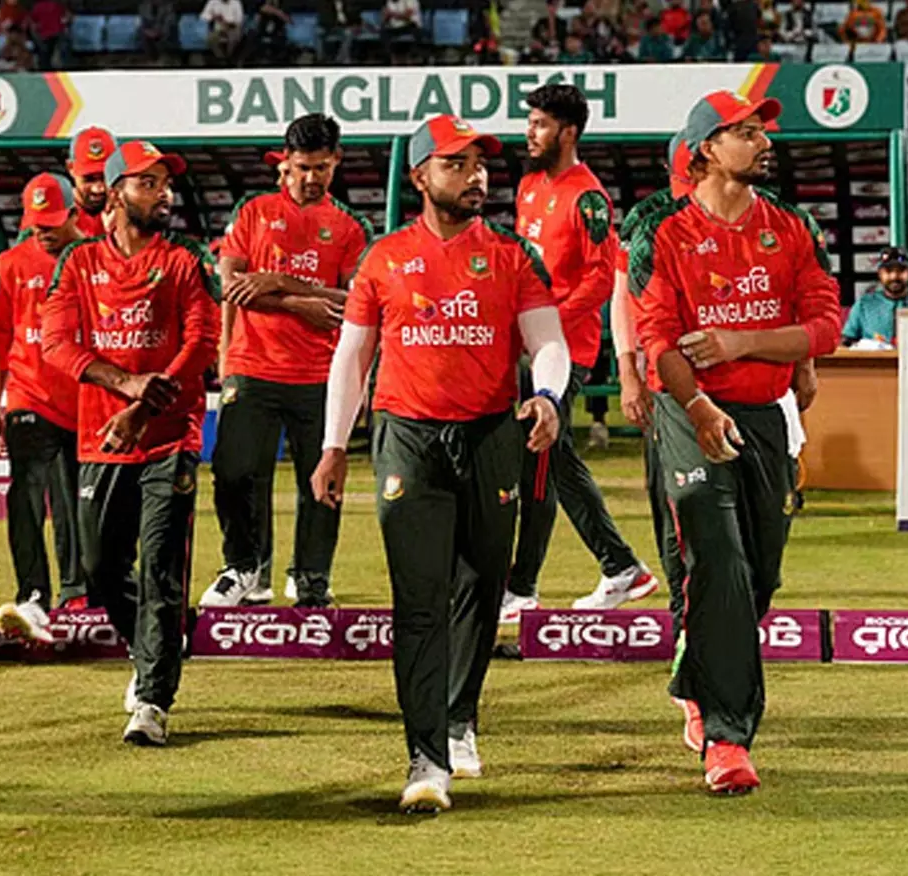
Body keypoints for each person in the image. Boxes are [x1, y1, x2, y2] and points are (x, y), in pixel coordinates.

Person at [312, 115, 569, 813]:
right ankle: (426, 756)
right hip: (408, 437)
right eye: (457, 164)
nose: (475, 176)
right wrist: (334, 446)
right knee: (420, 598)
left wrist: (548, 396)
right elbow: (353, 357)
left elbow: (547, 340)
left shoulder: (513, 256)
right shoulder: (384, 258)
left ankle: (459, 719)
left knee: (481, 586)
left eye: (480, 164)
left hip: (491, 436)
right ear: (422, 175)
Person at [632, 91, 842, 793]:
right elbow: (658, 338)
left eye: (761, 131)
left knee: (759, 575)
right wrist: (696, 405)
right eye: (745, 132)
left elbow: (824, 327)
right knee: (716, 556)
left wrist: (742, 342)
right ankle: (727, 739)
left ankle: (697, 675)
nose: (763, 142)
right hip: (688, 409)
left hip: (763, 413)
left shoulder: (790, 226)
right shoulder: (664, 234)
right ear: (706, 151)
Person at [40, 140, 220, 747]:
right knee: (100, 566)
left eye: (166, 183)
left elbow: (201, 344)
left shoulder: (187, 258)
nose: (163, 194)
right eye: (148, 183)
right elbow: (56, 344)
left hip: (171, 436)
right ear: (115, 193)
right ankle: (156, 642)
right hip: (102, 436)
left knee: (163, 565)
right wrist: (124, 385)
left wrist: (144, 408)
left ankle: (152, 698)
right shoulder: (78, 262)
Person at [200, 115, 369, 611]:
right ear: (284, 165)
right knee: (234, 472)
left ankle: (312, 576)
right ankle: (244, 569)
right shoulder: (253, 212)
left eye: (321, 167)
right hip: (252, 364)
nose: (311, 178)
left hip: (321, 373)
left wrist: (278, 282)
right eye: (302, 167)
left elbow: (355, 302)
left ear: (335, 162)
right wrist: (299, 303)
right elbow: (230, 285)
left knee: (321, 479)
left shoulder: (350, 226)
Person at [502, 85, 656, 625]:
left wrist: (546, 323)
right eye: (530, 122)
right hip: (529, 345)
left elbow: (599, 278)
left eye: (541, 124)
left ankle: (522, 588)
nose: (530, 132)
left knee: (541, 460)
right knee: (552, 458)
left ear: (568, 132)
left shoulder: (588, 198)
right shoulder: (528, 186)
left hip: (566, 349)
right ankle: (621, 566)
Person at [0, 173, 89, 641]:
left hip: (84, 397)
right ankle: (31, 594)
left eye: (51, 222)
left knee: (75, 500)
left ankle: (77, 590)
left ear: (73, 213)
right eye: (35, 223)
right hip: (28, 394)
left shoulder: (95, 257)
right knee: (26, 489)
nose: (42, 231)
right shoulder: (10, 264)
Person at [840, 247, 908, 346]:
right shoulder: (864, 305)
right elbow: (847, 341)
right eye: (888, 271)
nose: (894, 276)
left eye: (901, 270)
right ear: (880, 273)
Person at [67, 126, 116, 239]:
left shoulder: (130, 213)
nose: (98, 189)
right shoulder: (53, 214)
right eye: (88, 179)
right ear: (71, 168)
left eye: (105, 177)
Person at [31, 0, 72, 70]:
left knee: (45, 60)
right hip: (55, 36)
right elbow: (68, 18)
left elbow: (33, 24)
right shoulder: (57, 5)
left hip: (45, 37)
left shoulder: (37, 7)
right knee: (56, 60)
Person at [250, 0, 292, 65]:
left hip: (277, 36)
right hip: (262, 35)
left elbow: (289, 20)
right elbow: (263, 9)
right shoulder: (260, 5)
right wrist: (276, 11)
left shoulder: (284, 7)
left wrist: (277, 12)